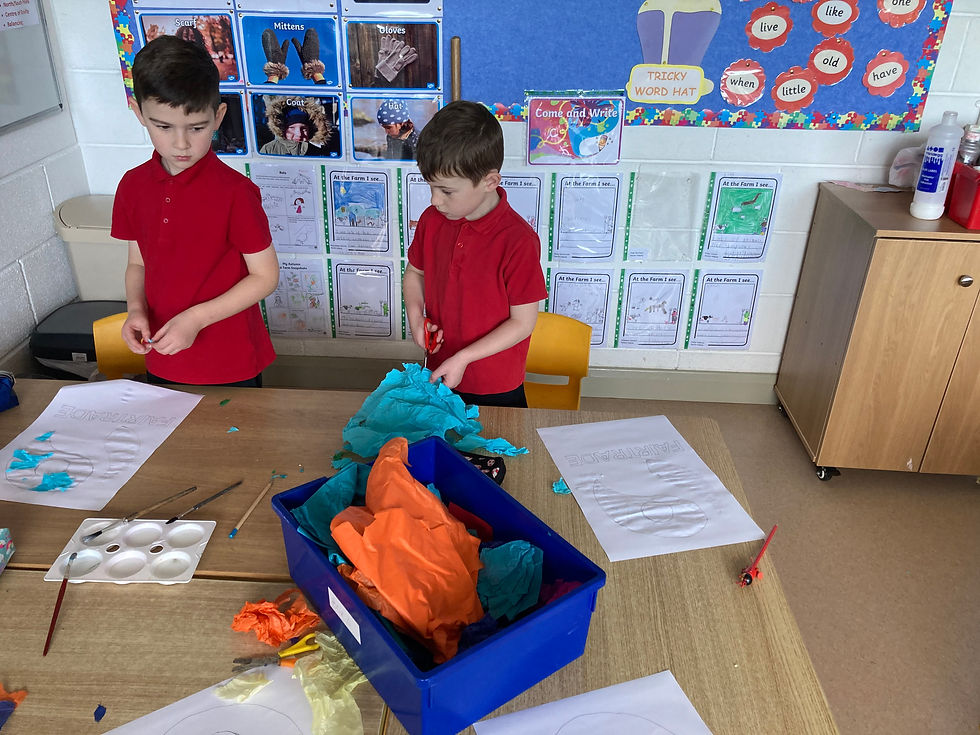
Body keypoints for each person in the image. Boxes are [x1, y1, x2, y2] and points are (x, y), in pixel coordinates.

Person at [111, 35, 279, 387]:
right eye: (163, 127)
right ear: (139, 113)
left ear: (218, 117)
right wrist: (136, 310)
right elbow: (137, 263)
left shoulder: (236, 193)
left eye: (197, 128)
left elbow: (265, 277)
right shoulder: (132, 186)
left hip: (231, 360)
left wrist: (195, 319)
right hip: (162, 354)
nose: (181, 143)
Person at [403, 100, 548, 408]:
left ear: (489, 182)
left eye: (446, 191)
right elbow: (415, 272)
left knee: (494, 440)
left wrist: (465, 357)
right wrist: (416, 319)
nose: (435, 200)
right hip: (439, 372)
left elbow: (523, 323)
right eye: (431, 187)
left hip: (495, 384)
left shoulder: (518, 241)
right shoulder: (432, 220)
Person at [258, 96, 333, 157]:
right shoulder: (269, 150)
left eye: (303, 129)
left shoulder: (319, 151)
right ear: (282, 129)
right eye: (291, 128)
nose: (299, 134)